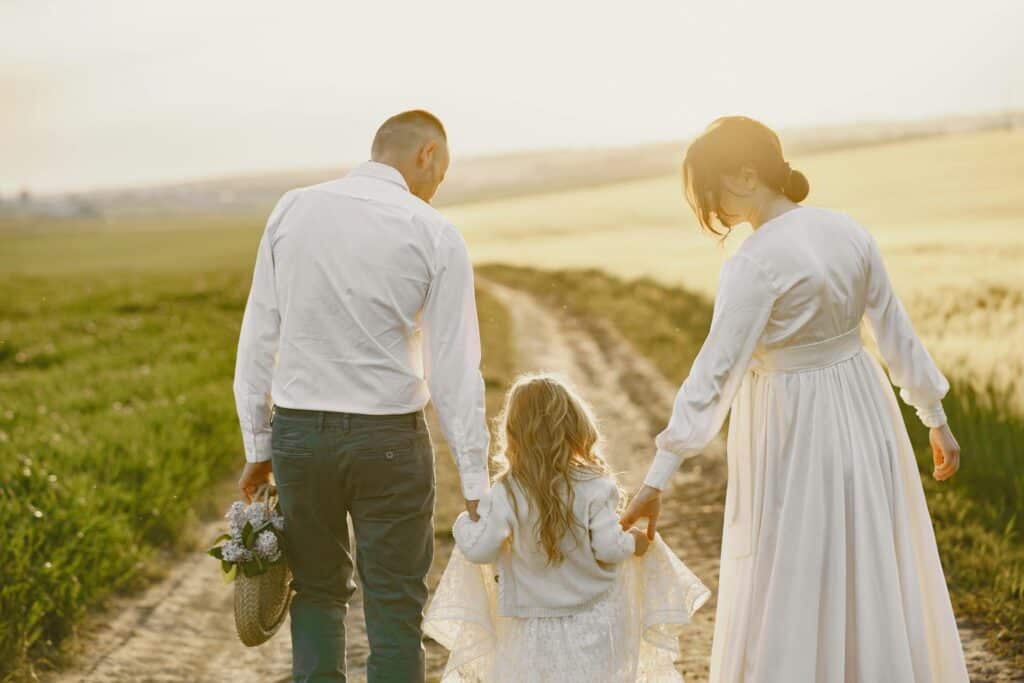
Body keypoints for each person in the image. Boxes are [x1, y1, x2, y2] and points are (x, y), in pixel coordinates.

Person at [620, 116, 970, 682]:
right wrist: (933, 415)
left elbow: (714, 376)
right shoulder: (847, 230)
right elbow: (894, 331)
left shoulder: (754, 263)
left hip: (792, 423)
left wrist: (658, 475)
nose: (709, 206)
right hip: (864, 406)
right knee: (868, 554)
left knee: (795, 566)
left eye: (710, 189)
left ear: (746, 175)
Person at [232, 110, 490, 682]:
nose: (435, 190)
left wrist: (259, 442)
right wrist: (475, 483)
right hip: (390, 440)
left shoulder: (292, 209)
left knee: (317, 593)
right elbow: (454, 370)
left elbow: (258, 338)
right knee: (395, 606)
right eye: (439, 175)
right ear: (426, 155)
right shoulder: (435, 232)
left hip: (301, 438)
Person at [425, 374, 710, 682]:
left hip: (531, 627)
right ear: (576, 426)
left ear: (513, 433)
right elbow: (609, 548)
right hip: (594, 620)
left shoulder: (507, 492)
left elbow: (481, 550)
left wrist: (464, 524)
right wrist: (633, 542)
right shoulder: (595, 486)